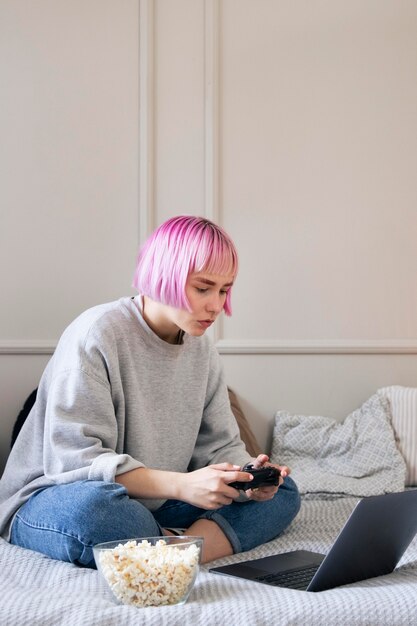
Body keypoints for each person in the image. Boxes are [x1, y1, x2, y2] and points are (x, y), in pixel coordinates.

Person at [0, 215, 300, 567]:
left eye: (224, 290)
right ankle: (175, 541)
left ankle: (168, 549)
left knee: (283, 495)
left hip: (155, 500)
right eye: (203, 288)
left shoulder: (202, 350)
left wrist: (248, 475)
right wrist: (180, 485)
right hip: (54, 497)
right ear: (163, 276)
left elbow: (219, 446)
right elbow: (75, 461)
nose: (216, 305)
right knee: (98, 513)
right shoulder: (96, 334)